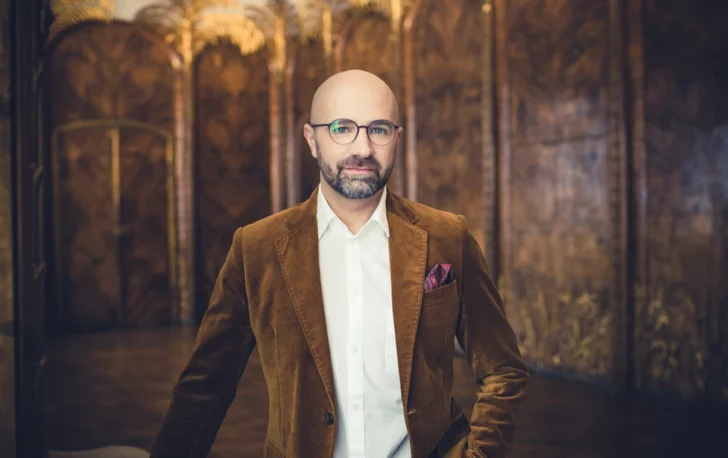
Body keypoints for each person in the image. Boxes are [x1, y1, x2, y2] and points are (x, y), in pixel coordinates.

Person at [151, 69, 528, 458]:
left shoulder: (448, 236)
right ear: (312, 140)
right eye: (342, 128)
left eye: (378, 129)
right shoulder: (256, 248)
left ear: (397, 139)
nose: (362, 148)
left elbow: (503, 368)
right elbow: (206, 386)